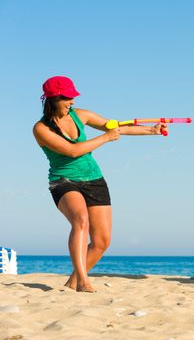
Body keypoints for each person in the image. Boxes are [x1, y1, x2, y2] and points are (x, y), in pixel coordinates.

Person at [33, 76, 168, 292]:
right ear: (53, 98)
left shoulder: (81, 115)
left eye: (73, 97)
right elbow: (73, 151)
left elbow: (115, 127)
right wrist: (105, 138)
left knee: (102, 241)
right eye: (68, 97)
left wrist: (152, 130)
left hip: (94, 179)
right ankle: (84, 282)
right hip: (63, 181)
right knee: (80, 221)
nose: (72, 101)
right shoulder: (41, 129)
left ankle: (72, 283)